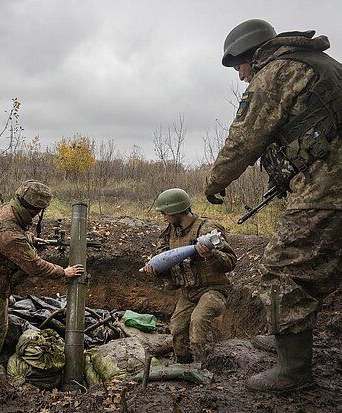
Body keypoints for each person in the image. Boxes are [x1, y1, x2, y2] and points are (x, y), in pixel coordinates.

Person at [205, 19, 341, 391]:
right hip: (330, 187)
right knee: (322, 266)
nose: (241, 77)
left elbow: (244, 138)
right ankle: (287, 341)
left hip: (327, 191)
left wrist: (215, 183)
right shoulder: (325, 66)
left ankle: (293, 369)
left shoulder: (275, 73)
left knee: (283, 268)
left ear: (250, 55)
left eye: (239, 68)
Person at [0, 180, 84, 361]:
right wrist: (64, 272)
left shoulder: (9, 210)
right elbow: (35, 266)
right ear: (34, 210)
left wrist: (31, 239)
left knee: (3, 303)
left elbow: (16, 234)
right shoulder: (10, 237)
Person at [144, 188, 236, 364]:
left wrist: (210, 255)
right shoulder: (168, 234)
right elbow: (166, 264)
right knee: (178, 328)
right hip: (188, 292)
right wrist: (156, 271)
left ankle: (206, 365)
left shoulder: (208, 230)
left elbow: (230, 262)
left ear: (177, 210)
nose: (164, 218)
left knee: (198, 321)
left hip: (213, 290)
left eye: (165, 214)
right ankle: (184, 366)